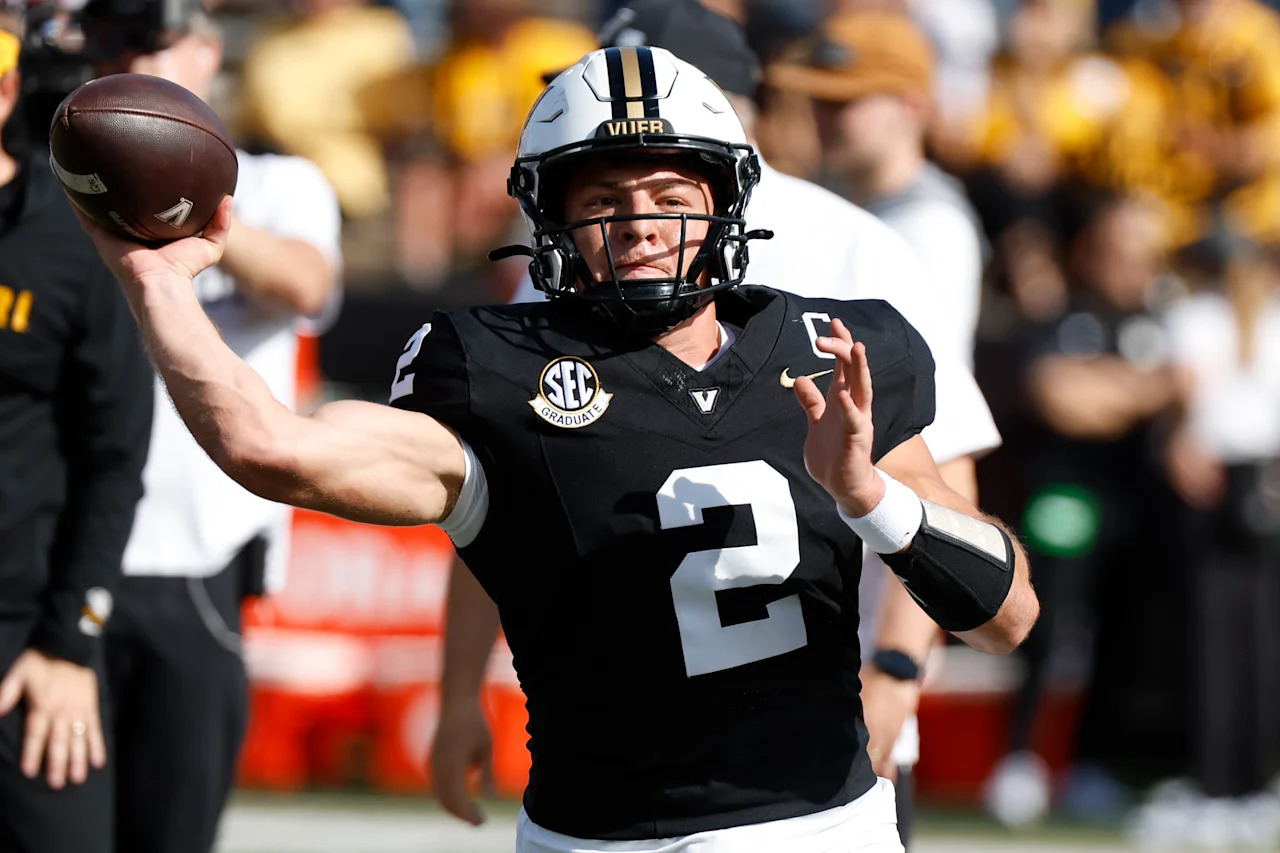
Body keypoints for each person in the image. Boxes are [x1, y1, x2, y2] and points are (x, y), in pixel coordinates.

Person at [77, 46, 1038, 852]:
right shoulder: (492, 369)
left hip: (818, 829)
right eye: (604, 199)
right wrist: (154, 280)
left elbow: (1006, 615)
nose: (641, 225)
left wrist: (872, 496)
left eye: (671, 193)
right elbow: (269, 446)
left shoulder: (830, 349)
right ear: (551, 218)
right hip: (596, 836)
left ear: (726, 203)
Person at [435, 3, 1004, 845]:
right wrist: (456, 693)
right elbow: (505, 497)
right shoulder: (574, 258)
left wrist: (894, 669)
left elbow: (939, 473)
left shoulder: (855, 248)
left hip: (822, 732)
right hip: (621, 754)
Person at [84, 4, 343, 851]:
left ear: (205, 50)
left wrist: (180, 199)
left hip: (197, 558)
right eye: (112, 43)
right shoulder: (57, 186)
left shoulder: (275, 182)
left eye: (151, 44)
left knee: (174, 829)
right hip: (63, 553)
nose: (129, 61)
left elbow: (307, 285)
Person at [0, 11, 154, 853]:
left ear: (10, 88)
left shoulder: (68, 243)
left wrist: (67, 642)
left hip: (28, 643)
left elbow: (116, 455)